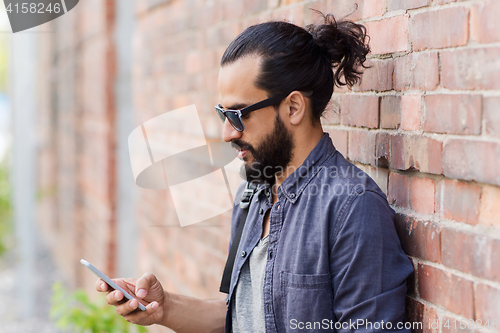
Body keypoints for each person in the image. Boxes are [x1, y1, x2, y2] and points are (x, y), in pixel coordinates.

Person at [95, 12, 414, 333]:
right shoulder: (253, 194)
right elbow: (241, 315)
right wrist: (164, 308)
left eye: (238, 114)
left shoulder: (353, 207)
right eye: (223, 113)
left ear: (293, 108)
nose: (227, 133)